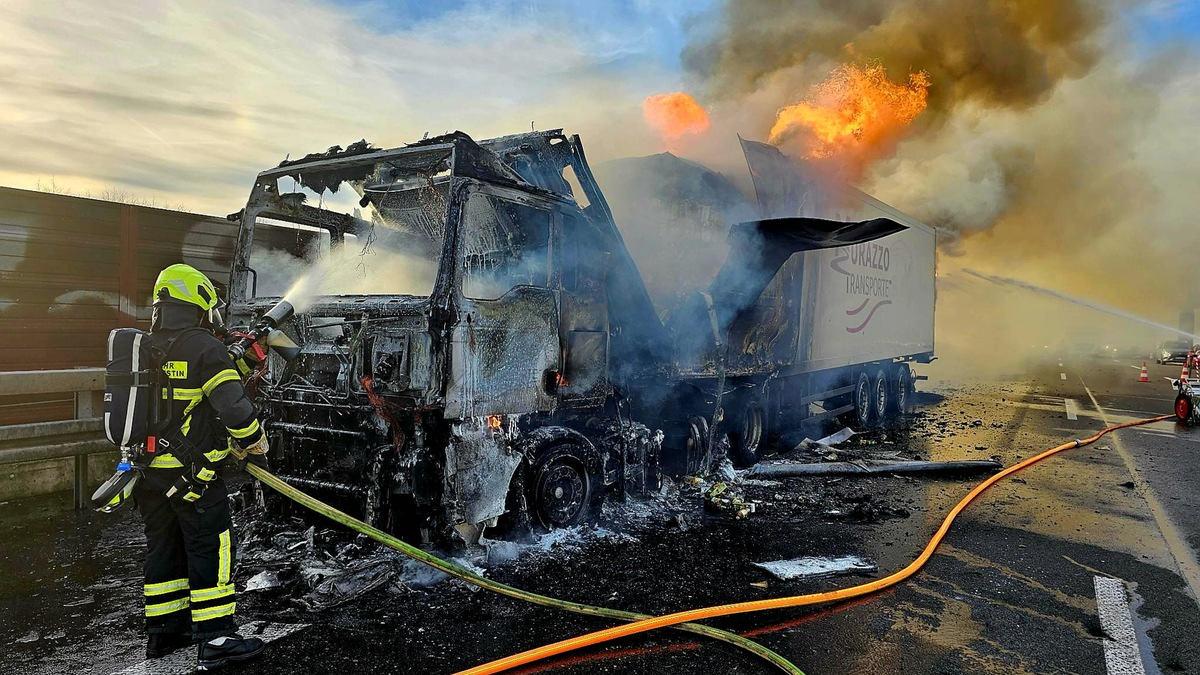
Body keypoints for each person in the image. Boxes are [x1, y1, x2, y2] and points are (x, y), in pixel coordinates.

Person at [135, 263, 269, 669]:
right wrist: (253, 442)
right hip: (194, 477)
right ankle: (217, 638)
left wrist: (243, 356)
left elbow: (195, 391)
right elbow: (232, 406)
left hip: (150, 473)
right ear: (199, 301)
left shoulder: (147, 345)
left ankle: (164, 633)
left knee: (165, 548)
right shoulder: (204, 347)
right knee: (210, 547)